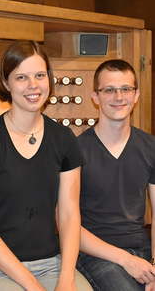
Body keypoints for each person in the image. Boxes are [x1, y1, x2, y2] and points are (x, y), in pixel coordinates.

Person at [0, 40, 92, 291]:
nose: (33, 85)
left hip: (51, 264)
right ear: (7, 83)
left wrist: (66, 278)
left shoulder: (63, 139)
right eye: (21, 77)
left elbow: (68, 214)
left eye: (40, 75)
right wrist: (33, 286)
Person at [77, 59, 155, 291]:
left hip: (142, 250)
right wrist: (126, 260)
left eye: (126, 89)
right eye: (109, 90)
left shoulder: (150, 146)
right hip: (95, 254)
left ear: (136, 95)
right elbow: (66, 225)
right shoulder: (75, 150)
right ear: (95, 97)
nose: (119, 97)